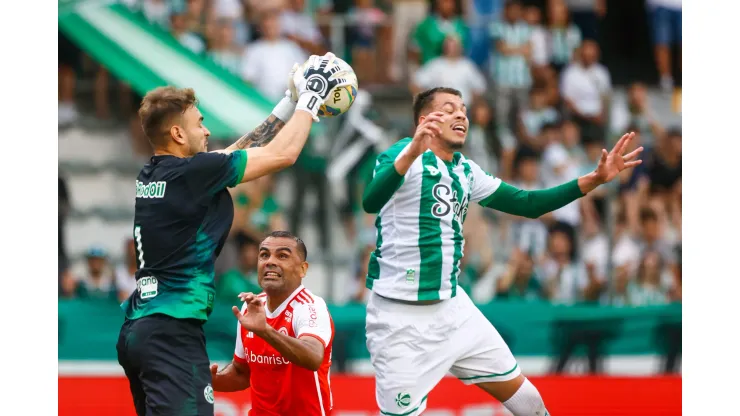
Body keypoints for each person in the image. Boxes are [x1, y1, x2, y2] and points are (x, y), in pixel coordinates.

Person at [361, 87, 643, 416]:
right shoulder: (400, 155)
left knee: (530, 403)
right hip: (399, 321)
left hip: (453, 311)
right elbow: (371, 201)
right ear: (426, 120)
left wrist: (594, 179)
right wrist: (411, 150)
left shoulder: (466, 170)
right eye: (449, 108)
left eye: (463, 109)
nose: (461, 115)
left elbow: (528, 204)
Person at [115, 52, 351, 416]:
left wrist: (287, 104)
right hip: (172, 331)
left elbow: (236, 152)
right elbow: (283, 155)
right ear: (178, 133)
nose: (207, 131)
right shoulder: (192, 174)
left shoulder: (157, 174)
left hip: (139, 328)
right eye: (200, 123)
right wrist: (313, 95)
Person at [210, 231, 334, 415]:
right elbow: (241, 373)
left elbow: (313, 357)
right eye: (264, 255)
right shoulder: (249, 308)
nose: (270, 261)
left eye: (282, 255)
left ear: (303, 269)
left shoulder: (310, 306)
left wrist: (266, 332)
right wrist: (207, 379)